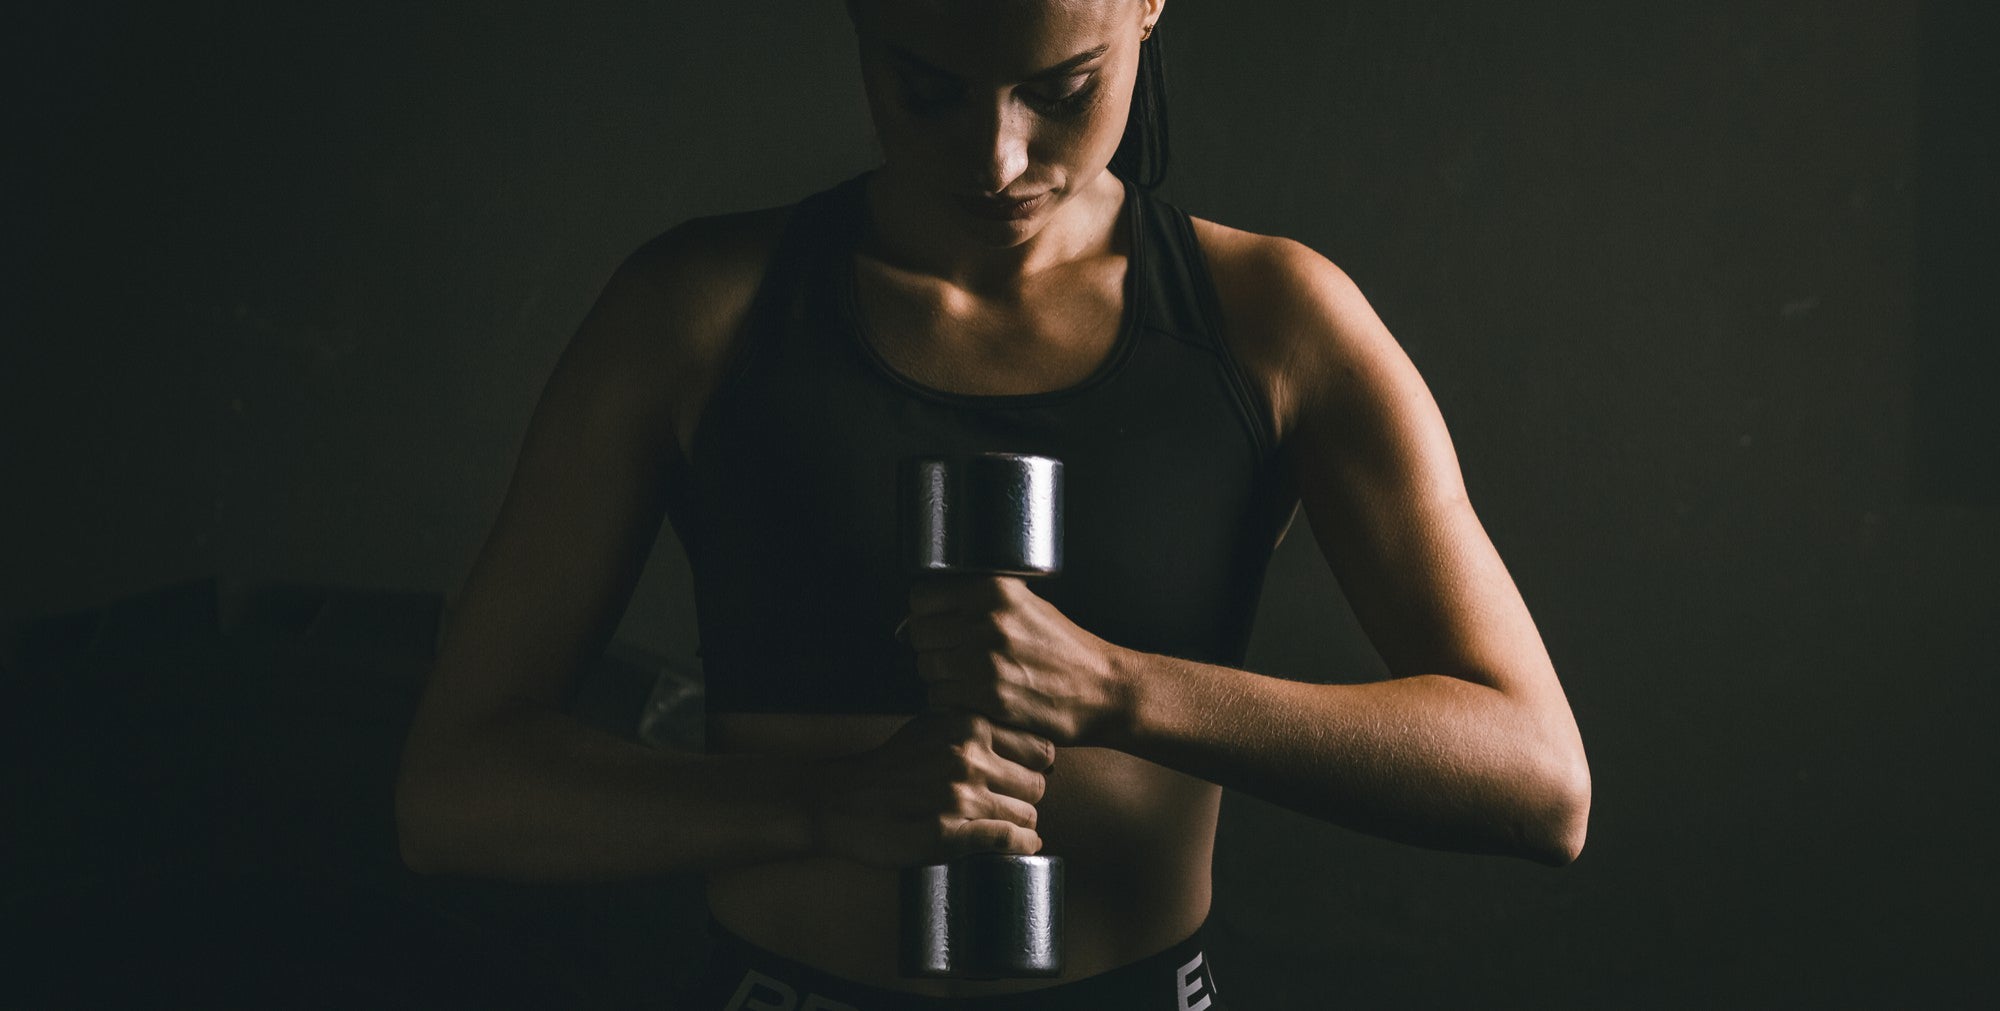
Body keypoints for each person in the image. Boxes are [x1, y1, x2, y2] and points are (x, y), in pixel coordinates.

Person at [394, 1, 1591, 1007]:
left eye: (1061, 90)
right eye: (927, 91)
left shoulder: (1271, 324)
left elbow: (1535, 782)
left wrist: (1122, 690)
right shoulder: (696, 314)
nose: (996, 159)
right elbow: (454, 796)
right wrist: (819, 805)